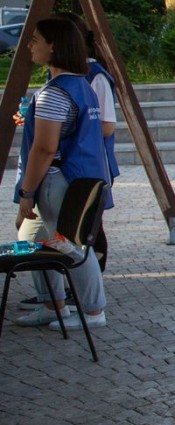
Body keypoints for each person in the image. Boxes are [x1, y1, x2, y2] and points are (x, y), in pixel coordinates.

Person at [11, 17, 110, 331]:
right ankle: (53, 305)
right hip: (75, 177)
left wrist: (26, 194)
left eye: (36, 39)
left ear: (53, 47)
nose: (30, 44)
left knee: (68, 246)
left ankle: (94, 312)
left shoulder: (56, 93)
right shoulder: (81, 85)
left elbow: (43, 149)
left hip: (58, 179)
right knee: (32, 240)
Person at [63, 11, 120, 270]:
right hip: (73, 162)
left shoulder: (95, 76)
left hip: (90, 162)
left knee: (88, 226)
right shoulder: (68, 77)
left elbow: (107, 126)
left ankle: (90, 291)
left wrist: (65, 130)